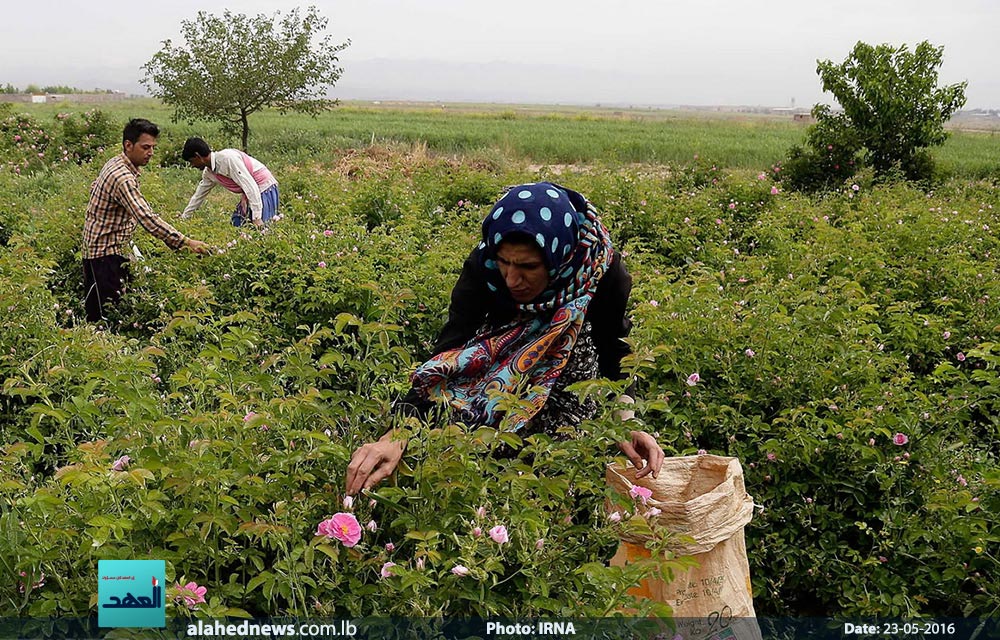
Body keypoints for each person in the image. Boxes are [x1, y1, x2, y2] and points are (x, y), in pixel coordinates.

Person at [346, 181, 664, 495]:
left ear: (560, 259)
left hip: (569, 371)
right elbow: (450, 352)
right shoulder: (484, 267)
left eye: (528, 266)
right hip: (500, 363)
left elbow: (614, 351)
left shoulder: (600, 272)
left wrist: (626, 422)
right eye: (505, 262)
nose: (511, 279)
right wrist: (398, 432)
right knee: (465, 445)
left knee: (555, 470)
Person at [82, 118, 210, 322]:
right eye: (145, 147)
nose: (150, 152)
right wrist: (185, 242)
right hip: (105, 257)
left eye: (152, 147)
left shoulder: (115, 162)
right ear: (128, 145)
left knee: (116, 308)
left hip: (107, 251)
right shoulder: (122, 178)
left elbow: (94, 187)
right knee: (107, 319)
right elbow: (146, 218)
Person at [181, 137, 279, 228]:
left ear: (198, 156)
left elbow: (250, 185)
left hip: (263, 187)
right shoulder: (209, 173)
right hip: (251, 191)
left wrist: (257, 217)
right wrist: (185, 217)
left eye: (191, 161)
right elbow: (199, 196)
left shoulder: (227, 159)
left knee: (261, 229)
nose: (192, 165)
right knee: (237, 224)